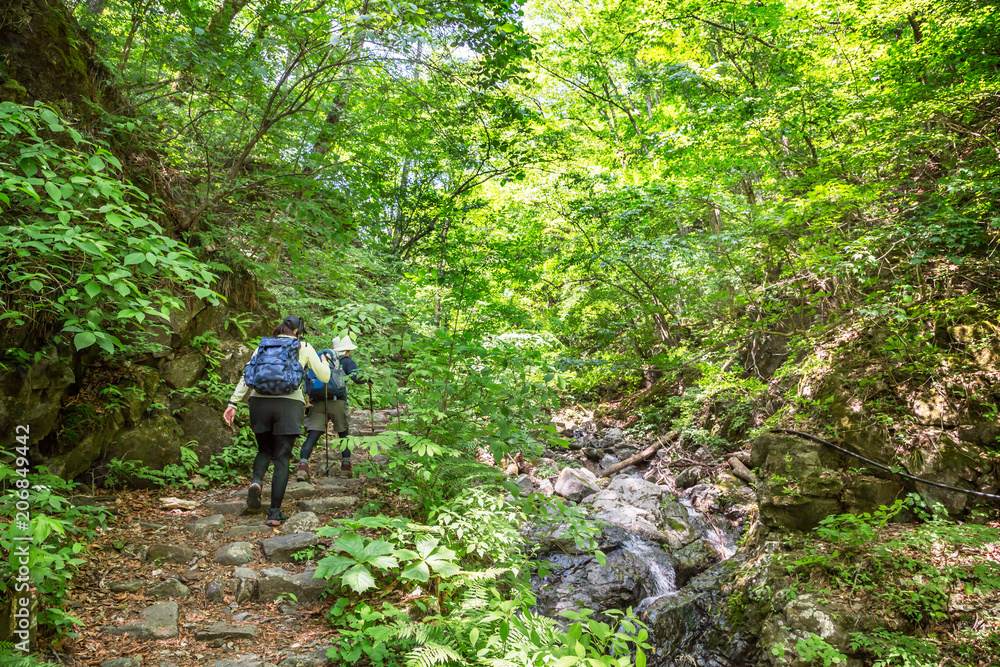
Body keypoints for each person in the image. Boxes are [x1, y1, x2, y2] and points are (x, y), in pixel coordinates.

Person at [223, 315, 331, 526]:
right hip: (288, 405)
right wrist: (325, 362)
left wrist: (233, 403)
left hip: (259, 403)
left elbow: (247, 376)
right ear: (298, 331)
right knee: (282, 458)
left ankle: (256, 482)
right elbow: (324, 377)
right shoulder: (303, 346)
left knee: (264, 450)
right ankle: (274, 514)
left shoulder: (263, 346)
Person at [297, 335, 371, 479]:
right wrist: (368, 379)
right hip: (338, 402)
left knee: (313, 435)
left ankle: (302, 467)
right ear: (348, 349)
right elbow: (356, 378)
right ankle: (346, 467)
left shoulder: (321, 358)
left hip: (317, 401)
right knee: (343, 434)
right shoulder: (346, 361)